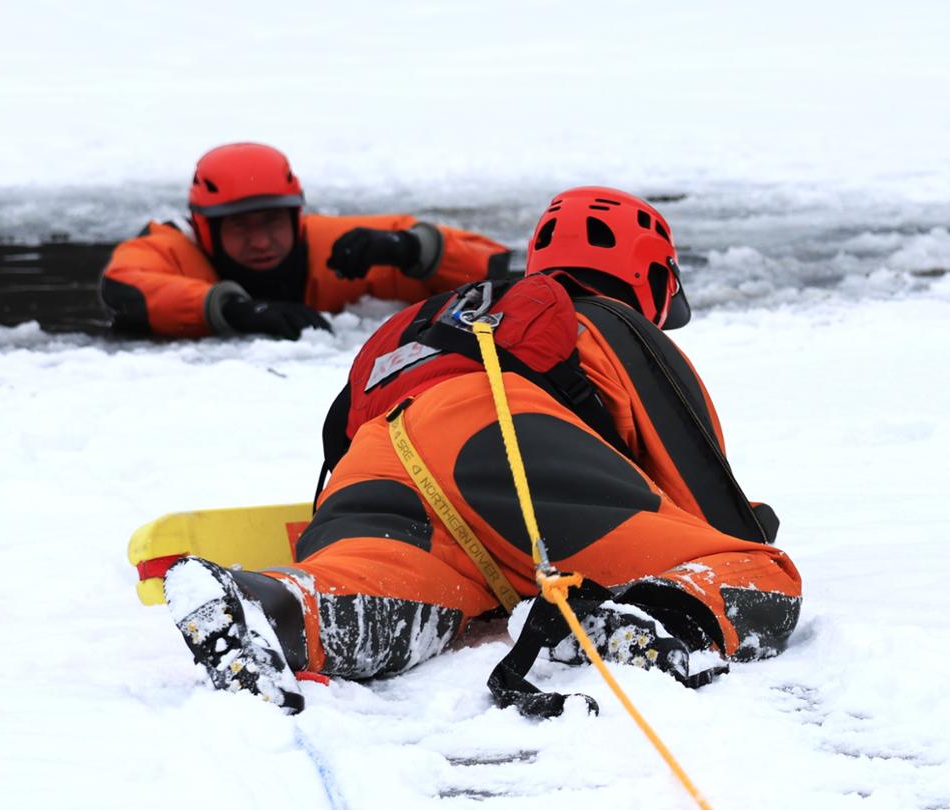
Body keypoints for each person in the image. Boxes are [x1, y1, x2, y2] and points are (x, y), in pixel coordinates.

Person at [163, 187, 801, 713]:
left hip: (379, 457)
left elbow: (343, 434)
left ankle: (264, 606)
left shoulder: (446, 318)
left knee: (392, 602)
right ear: (655, 277)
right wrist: (740, 535)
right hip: (502, 440)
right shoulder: (610, 319)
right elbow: (710, 506)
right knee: (761, 579)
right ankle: (631, 621)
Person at [99, 142, 511, 339]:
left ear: (296, 217)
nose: (260, 241)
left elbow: (501, 269)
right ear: (206, 227)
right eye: (240, 227)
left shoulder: (332, 245)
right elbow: (124, 287)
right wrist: (238, 310)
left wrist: (406, 249)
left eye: (272, 222)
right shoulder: (173, 248)